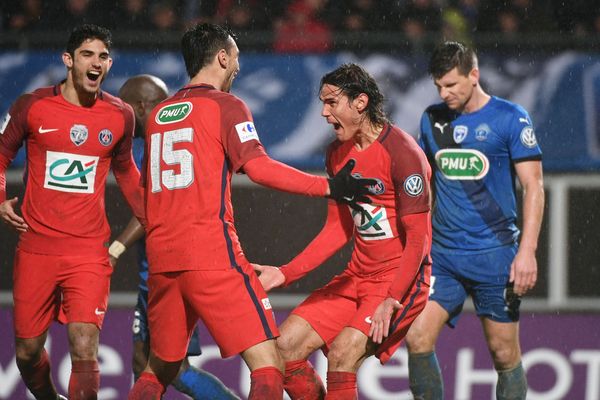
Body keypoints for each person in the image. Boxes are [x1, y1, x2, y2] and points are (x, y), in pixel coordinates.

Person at [127, 23, 375, 400]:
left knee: (158, 368)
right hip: (211, 255)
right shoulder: (225, 105)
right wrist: (328, 186)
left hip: (162, 260)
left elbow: (145, 194)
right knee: (268, 367)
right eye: (236, 58)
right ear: (222, 57)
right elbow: (258, 168)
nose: (239, 68)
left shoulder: (159, 114)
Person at [254, 63, 433, 400]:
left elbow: (419, 241)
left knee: (341, 355)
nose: (323, 112)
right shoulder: (336, 153)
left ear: (360, 102)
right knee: (284, 348)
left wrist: (391, 298)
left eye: (332, 102)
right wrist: (285, 273)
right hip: (357, 276)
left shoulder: (405, 155)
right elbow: (338, 230)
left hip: (399, 283)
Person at [0, 24, 145, 399]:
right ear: (68, 60)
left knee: (84, 347)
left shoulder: (120, 116)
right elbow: (1, 155)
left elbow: (127, 171)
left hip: (88, 252)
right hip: (36, 249)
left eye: (103, 57)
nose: (96, 63)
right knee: (27, 353)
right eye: (87, 55)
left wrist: (155, 215)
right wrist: (1, 197)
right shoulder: (31, 106)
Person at [405, 41, 544, 400]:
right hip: (444, 258)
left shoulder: (510, 118)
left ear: (474, 75)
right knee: (417, 337)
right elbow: (427, 183)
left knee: (503, 353)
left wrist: (526, 251)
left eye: (451, 84)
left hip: (495, 256)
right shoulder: (432, 118)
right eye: (438, 86)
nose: (444, 92)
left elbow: (534, 186)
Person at [112, 74, 239, 399]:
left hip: (166, 274)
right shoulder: (174, 136)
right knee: (145, 365)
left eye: (125, 108)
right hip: (161, 272)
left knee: (171, 368)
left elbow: (150, 209)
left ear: (140, 107)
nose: (122, 118)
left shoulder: (157, 142)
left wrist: (114, 248)